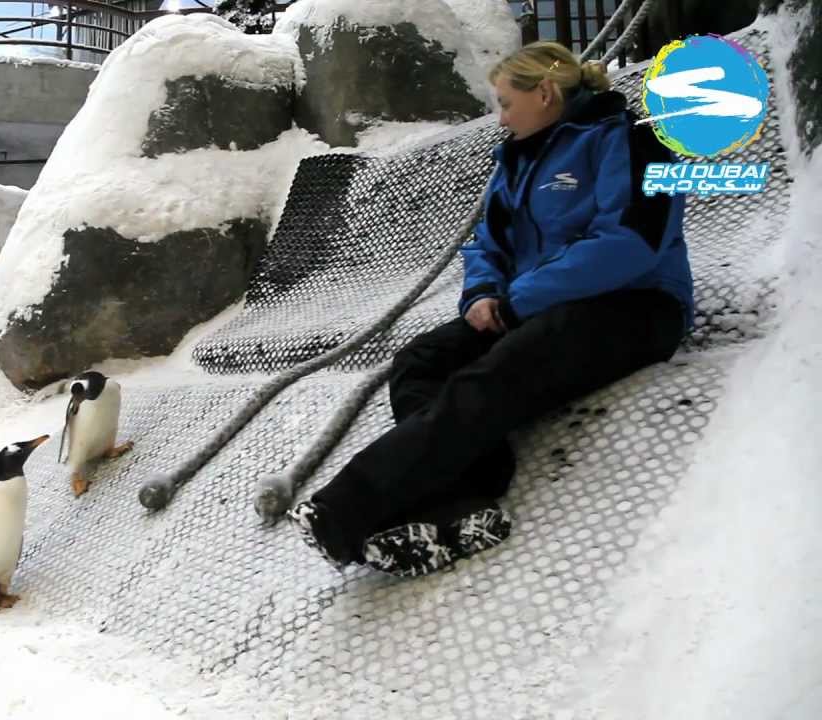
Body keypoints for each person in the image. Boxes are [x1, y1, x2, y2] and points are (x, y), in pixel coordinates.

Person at [289, 42, 693, 577]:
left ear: (545, 93)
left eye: (506, 102)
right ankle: (466, 500)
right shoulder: (516, 159)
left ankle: (345, 509)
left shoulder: (637, 140)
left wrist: (519, 299)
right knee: (421, 360)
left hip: (634, 304)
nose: (499, 117)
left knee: (497, 370)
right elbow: (487, 243)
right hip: (534, 306)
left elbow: (630, 242)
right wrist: (481, 294)